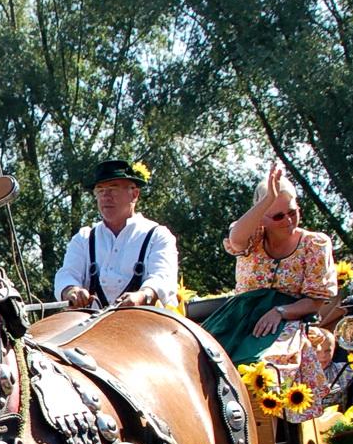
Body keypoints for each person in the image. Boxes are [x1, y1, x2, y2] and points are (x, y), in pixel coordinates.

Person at [203, 161, 337, 409]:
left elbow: (316, 300)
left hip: (288, 319)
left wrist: (280, 311)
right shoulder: (251, 236)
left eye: (293, 212)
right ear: (261, 217)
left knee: (262, 370)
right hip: (239, 316)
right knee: (201, 359)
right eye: (277, 215)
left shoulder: (315, 244)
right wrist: (267, 199)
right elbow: (236, 239)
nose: (288, 220)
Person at [54, 159, 178, 311]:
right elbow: (67, 273)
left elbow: (163, 277)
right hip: (90, 326)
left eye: (113, 189)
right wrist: (71, 290)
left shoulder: (157, 235)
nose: (106, 196)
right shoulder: (84, 238)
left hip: (145, 322)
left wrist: (141, 296)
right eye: (100, 190)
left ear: (134, 194)